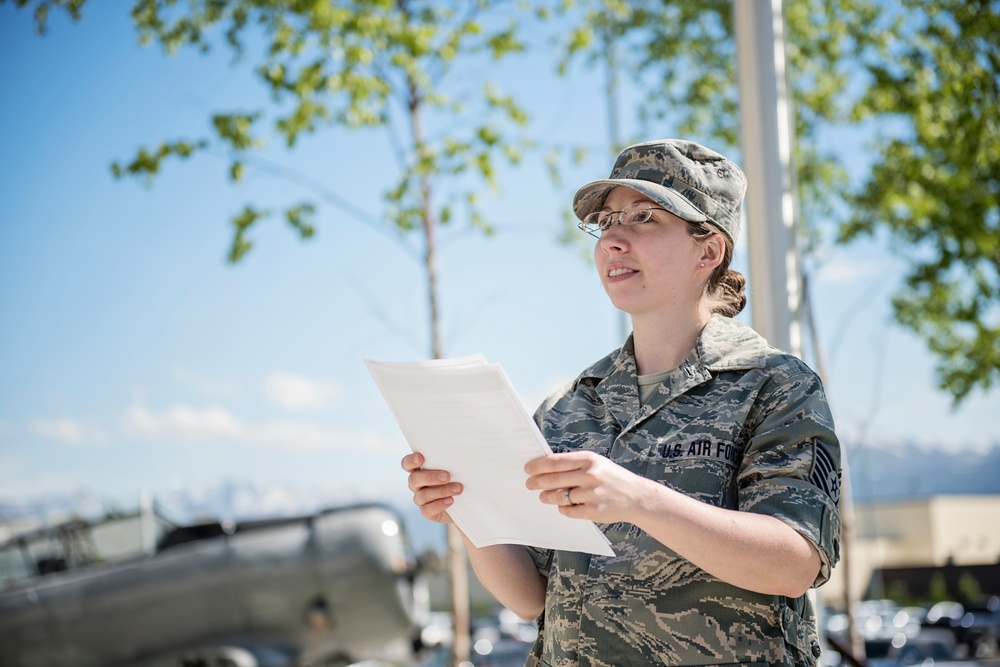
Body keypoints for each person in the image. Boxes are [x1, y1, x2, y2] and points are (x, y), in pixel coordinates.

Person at [403, 139, 842, 667]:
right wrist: (468, 506)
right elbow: (530, 597)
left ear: (709, 251)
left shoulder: (774, 387)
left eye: (643, 218)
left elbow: (793, 562)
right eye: (606, 221)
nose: (613, 238)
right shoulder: (568, 407)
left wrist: (638, 499)